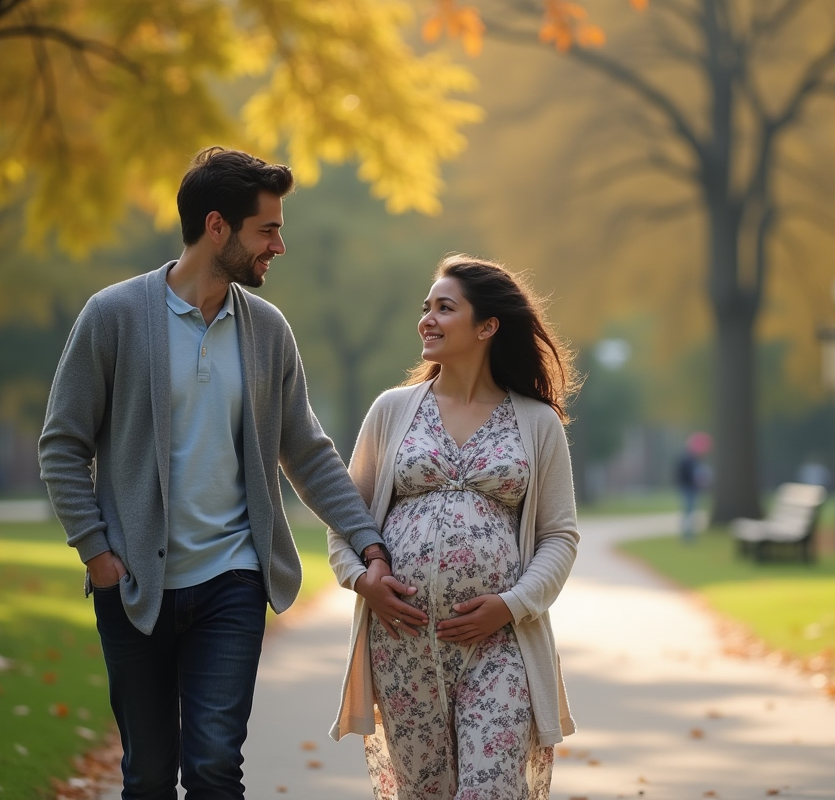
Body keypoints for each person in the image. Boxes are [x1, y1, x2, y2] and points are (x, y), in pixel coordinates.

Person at [38, 146, 425, 800]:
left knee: (216, 767)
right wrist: (97, 552)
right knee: (150, 775)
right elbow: (61, 444)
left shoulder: (268, 330)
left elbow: (305, 449)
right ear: (217, 227)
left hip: (232, 581)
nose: (279, 244)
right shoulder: (114, 316)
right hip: (135, 585)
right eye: (267, 230)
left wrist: (370, 543)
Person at [327, 254, 580, 800]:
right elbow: (346, 517)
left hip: (501, 644)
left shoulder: (537, 423)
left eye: (445, 308)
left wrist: (510, 605)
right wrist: (362, 579)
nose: (428, 319)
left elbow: (560, 535)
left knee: (489, 791)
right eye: (426, 308)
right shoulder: (392, 411)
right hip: (402, 644)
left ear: (487, 326)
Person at [674, 431, 713, 540]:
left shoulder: (693, 459)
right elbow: (683, 474)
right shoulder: (687, 459)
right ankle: (687, 535)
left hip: (691, 489)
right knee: (688, 512)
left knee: (690, 512)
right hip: (687, 488)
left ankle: (689, 534)